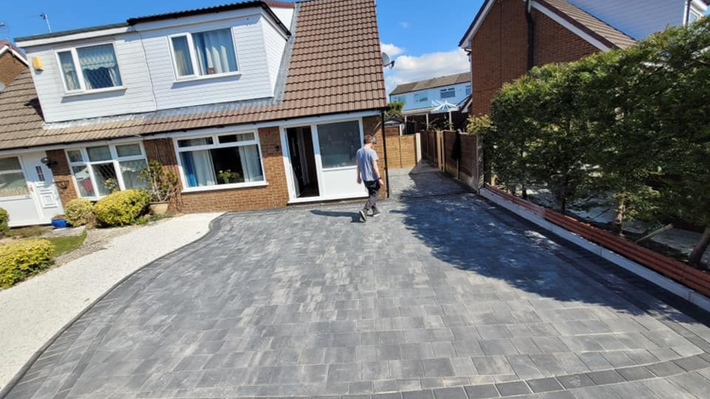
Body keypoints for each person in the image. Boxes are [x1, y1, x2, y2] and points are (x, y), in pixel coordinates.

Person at [356, 134, 384, 222]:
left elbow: (358, 166)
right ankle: (365, 210)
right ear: (370, 141)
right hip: (372, 178)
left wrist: (358, 177)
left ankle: (375, 211)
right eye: (373, 142)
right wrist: (379, 178)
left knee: (371, 194)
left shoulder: (359, 152)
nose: (373, 144)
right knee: (375, 195)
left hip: (365, 178)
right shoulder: (372, 152)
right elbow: (375, 166)